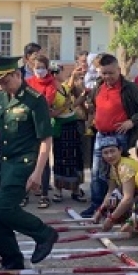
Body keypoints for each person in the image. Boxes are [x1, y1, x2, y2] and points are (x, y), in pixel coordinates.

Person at [0, 56, 59, 273]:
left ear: (17, 75)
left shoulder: (35, 100)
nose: (2, 85)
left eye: (5, 80)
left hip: (24, 163)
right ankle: (11, 260)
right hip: (4, 162)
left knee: (2, 207)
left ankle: (44, 233)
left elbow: (45, 139)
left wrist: (38, 173)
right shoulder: (1, 96)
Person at [77, 53, 138, 218]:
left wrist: (132, 121)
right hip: (100, 134)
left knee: (119, 174)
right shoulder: (99, 85)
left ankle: (119, 207)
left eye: (111, 73)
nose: (107, 76)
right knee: (97, 172)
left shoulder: (129, 87)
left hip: (119, 136)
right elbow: (92, 102)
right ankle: (97, 205)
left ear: (119, 70)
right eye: (104, 73)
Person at [49, 62, 86, 203]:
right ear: (55, 74)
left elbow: (71, 105)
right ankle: (58, 189)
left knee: (76, 157)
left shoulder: (64, 87)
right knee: (60, 158)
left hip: (72, 125)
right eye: (60, 71)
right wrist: (63, 107)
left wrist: (83, 96)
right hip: (60, 127)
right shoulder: (50, 91)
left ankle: (75, 189)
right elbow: (51, 112)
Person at [26, 54, 57, 208]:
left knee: (43, 160)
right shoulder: (28, 82)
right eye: (37, 67)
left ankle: (44, 194)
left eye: (42, 67)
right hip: (27, 126)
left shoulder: (51, 84)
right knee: (27, 160)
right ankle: (24, 193)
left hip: (43, 124)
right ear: (32, 68)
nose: (40, 70)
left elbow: (46, 101)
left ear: (48, 68)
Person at [93, 137, 138, 229]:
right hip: (135, 196)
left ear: (120, 150)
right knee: (112, 198)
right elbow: (110, 192)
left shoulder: (125, 166)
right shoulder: (113, 166)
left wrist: (111, 219)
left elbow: (128, 198)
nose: (109, 156)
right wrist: (100, 210)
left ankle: (134, 221)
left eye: (112, 151)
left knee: (116, 199)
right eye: (105, 153)